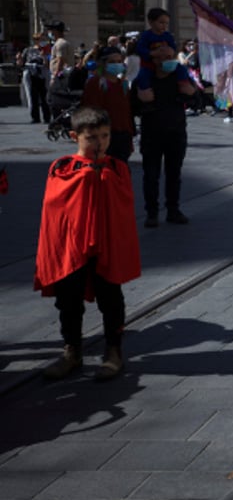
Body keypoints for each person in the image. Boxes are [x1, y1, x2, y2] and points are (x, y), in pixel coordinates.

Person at [35, 106, 141, 381]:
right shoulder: (62, 167)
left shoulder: (117, 167)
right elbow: (55, 205)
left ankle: (113, 351)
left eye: (105, 136)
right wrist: (86, 177)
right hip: (72, 248)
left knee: (111, 298)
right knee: (68, 301)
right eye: (92, 137)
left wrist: (101, 177)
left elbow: (122, 203)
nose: (100, 143)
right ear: (75, 137)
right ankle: (72, 351)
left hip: (105, 246)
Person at [138, 49, 197, 228]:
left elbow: (197, 101)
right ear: (154, 59)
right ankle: (152, 213)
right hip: (151, 135)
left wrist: (191, 92)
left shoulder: (180, 78)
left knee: (174, 173)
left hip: (176, 133)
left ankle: (173, 210)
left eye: (171, 57)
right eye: (163, 57)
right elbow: (134, 106)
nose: (169, 60)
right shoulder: (144, 80)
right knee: (151, 175)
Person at [81, 46, 135, 163]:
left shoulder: (123, 85)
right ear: (103, 64)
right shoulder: (96, 83)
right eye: (112, 62)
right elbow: (91, 114)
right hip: (104, 137)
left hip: (123, 137)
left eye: (119, 61)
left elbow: (127, 114)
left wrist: (129, 139)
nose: (116, 64)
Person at [20, 35, 51, 124]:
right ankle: (35, 117)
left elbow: (47, 63)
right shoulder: (28, 50)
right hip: (31, 74)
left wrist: (44, 56)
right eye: (37, 39)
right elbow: (22, 62)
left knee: (44, 96)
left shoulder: (46, 49)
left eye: (41, 39)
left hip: (42, 75)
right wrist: (20, 60)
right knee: (33, 96)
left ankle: (47, 116)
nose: (40, 41)